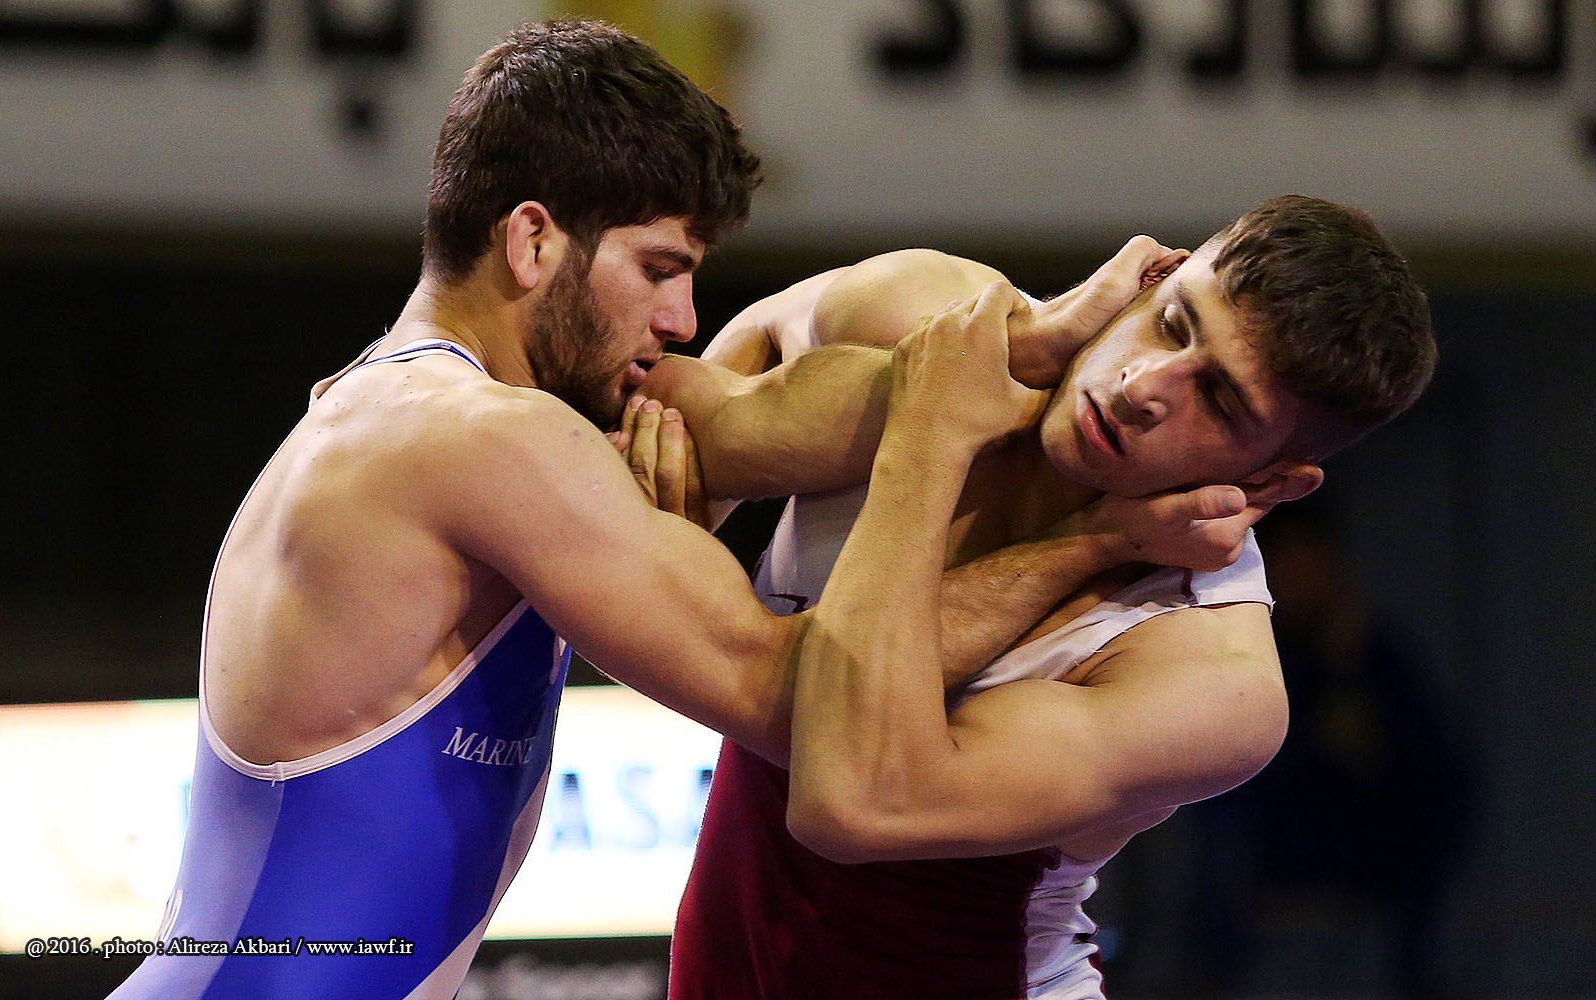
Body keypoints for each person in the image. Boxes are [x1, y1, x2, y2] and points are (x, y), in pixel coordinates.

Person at [106, 19, 1245, 1000]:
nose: (683, 318)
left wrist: (1030, 346)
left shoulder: (396, 406)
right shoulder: (490, 439)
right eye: (657, 267)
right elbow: (816, 705)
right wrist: (1090, 542)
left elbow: (758, 416)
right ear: (532, 239)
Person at [648, 196, 1436, 998]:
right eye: (1173, 323)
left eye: (1220, 401)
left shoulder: (1209, 676)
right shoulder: (933, 311)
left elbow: (853, 801)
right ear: (1152, 275)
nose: (1143, 385)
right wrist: (694, 503)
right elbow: (713, 375)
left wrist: (931, 437)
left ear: (1270, 482)